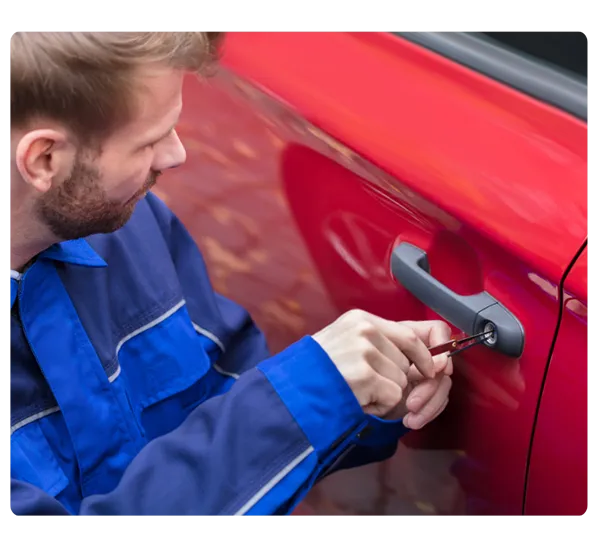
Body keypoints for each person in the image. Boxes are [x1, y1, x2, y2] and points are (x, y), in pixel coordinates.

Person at [8, 29, 454, 518]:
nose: (176, 155)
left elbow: (230, 394)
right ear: (44, 158)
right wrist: (310, 389)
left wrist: (360, 390)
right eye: (150, 141)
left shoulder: (133, 232)